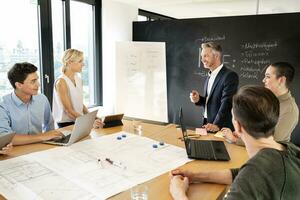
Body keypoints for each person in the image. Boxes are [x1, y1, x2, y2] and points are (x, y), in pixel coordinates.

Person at [170, 85, 300, 200]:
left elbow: (249, 176)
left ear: (237, 126)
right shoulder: (290, 150)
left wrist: (179, 194)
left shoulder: (255, 173)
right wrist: (194, 176)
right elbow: (240, 174)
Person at [222, 62, 299, 144]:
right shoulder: (267, 100)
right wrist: (242, 135)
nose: (263, 80)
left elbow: (271, 142)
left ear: (281, 80)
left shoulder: (290, 109)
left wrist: (235, 140)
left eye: (268, 76)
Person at [0, 62, 63, 145]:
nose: (38, 84)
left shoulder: (42, 99)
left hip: (40, 146)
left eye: (37, 80)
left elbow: (49, 126)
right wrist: (42, 136)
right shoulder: (3, 105)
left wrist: (53, 138)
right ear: (19, 85)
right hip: (16, 150)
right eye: (33, 81)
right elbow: (5, 138)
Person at [190, 42, 239, 132]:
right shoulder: (210, 75)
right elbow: (211, 101)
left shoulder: (230, 76)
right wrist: (198, 99)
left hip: (221, 127)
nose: (202, 59)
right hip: (207, 124)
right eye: (202, 56)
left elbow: (227, 103)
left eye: (205, 56)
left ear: (216, 56)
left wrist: (217, 124)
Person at [52, 49, 103, 128]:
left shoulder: (78, 79)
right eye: (80, 61)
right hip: (66, 125)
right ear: (69, 62)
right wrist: (89, 122)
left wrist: (92, 117)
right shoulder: (61, 82)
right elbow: (68, 110)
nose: (83, 64)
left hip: (78, 120)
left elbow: (80, 104)